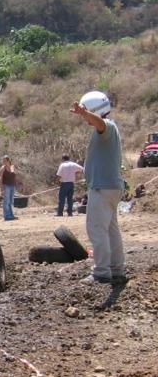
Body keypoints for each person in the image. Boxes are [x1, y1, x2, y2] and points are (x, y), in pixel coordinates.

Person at [70, 90, 126, 285]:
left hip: (102, 188)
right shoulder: (109, 129)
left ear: (93, 110)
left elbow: (100, 123)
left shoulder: (106, 127)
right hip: (110, 187)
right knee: (111, 230)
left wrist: (85, 113)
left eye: (87, 112)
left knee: (96, 229)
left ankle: (101, 271)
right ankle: (117, 269)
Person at [0, 155, 17, 221]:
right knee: (6, 201)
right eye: (3, 160)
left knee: (11, 201)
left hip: (12, 185)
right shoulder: (3, 168)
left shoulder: (12, 167)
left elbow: (14, 175)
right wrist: (1, 187)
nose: (3, 162)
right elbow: (0, 177)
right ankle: (7, 216)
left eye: (5, 160)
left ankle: (11, 215)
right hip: (6, 186)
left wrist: (17, 184)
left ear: (8, 161)